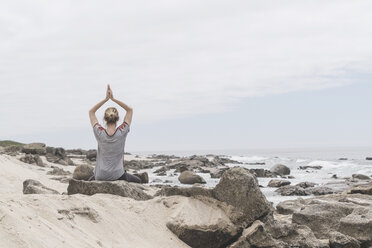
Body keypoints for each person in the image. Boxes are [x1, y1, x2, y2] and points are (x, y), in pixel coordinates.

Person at [88, 84, 141, 183]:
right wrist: (113, 99)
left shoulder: (99, 131)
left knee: (87, 182)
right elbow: (130, 110)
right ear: (117, 119)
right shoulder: (122, 131)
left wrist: (106, 99)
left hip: (100, 175)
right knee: (138, 180)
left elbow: (91, 112)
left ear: (104, 119)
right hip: (117, 175)